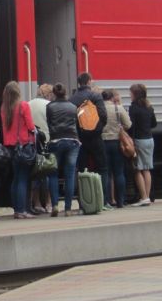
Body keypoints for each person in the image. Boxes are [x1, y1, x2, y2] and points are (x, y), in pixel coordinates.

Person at [0, 81, 36, 219]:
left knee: (15, 178)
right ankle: (22, 210)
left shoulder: (4, 108)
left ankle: (16, 209)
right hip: (23, 145)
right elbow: (31, 126)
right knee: (22, 179)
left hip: (10, 147)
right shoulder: (23, 105)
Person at [69, 72, 108, 198]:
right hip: (96, 138)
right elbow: (103, 116)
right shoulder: (95, 96)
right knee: (102, 168)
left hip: (81, 139)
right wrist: (97, 130)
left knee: (82, 170)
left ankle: (84, 201)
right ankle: (103, 200)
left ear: (79, 83)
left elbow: (72, 120)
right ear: (89, 81)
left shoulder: (72, 99)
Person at [46, 83, 81, 217]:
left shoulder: (50, 107)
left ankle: (54, 204)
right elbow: (75, 123)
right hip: (72, 140)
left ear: (54, 93)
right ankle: (68, 208)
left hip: (56, 141)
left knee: (53, 173)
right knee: (70, 175)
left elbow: (49, 123)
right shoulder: (73, 107)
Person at [101, 89, 131, 208]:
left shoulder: (99, 109)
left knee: (107, 173)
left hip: (103, 142)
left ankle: (107, 201)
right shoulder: (118, 108)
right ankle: (121, 201)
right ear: (111, 98)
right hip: (117, 142)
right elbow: (128, 124)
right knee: (119, 172)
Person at [129, 83, 157, 206]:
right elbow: (154, 123)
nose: (130, 95)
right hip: (150, 139)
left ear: (135, 94)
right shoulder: (149, 107)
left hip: (139, 140)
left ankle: (144, 196)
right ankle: (147, 196)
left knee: (137, 169)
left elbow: (131, 126)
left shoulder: (133, 108)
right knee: (146, 169)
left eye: (131, 93)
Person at [28, 84, 53, 213]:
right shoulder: (49, 105)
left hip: (32, 142)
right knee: (47, 172)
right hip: (46, 141)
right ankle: (48, 202)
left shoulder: (28, 104)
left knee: (35, 173)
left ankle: (36, 202)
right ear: (49, 94)